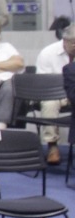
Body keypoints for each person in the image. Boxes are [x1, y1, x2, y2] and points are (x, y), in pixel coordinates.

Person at [32, 23, 75, 163]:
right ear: (65, 40)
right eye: (73, 42)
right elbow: (42, 84)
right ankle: (52, 146)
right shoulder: (48, 53)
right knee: (50, 103)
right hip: (52, 94)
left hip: (73, 93)